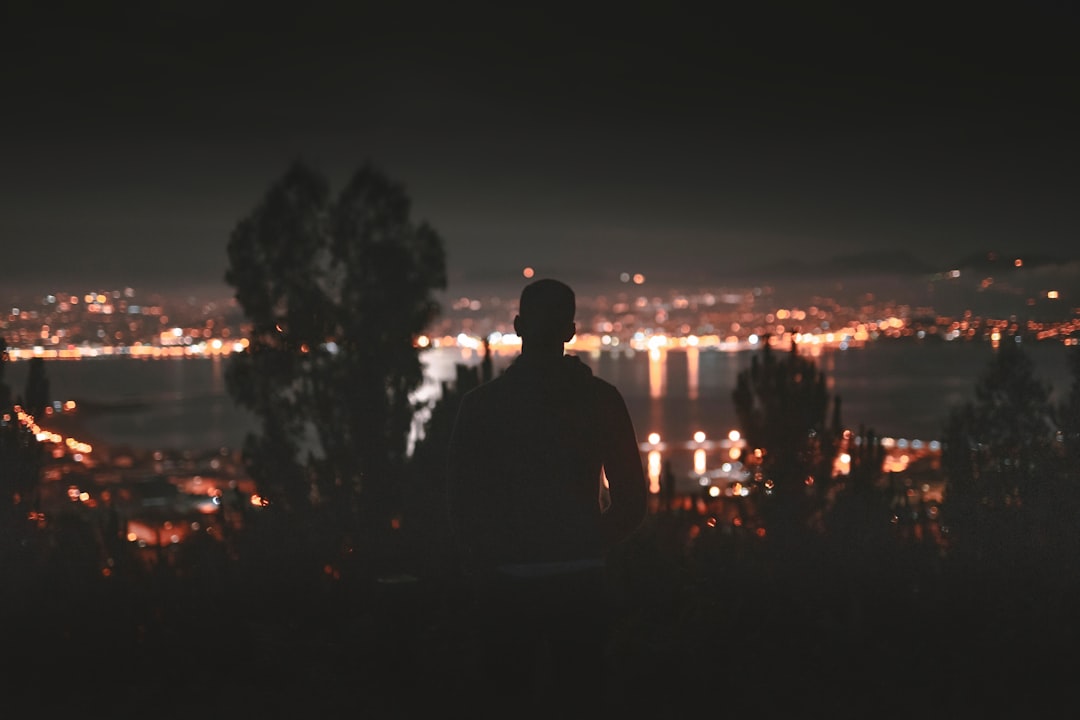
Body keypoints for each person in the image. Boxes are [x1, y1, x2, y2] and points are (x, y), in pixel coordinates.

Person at [446, 277, 648, 716]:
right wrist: (586, 543)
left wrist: (491, 557)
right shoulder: (602, 401)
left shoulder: (481, 406)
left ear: (518, 326)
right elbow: (633, 500)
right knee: (580, 700)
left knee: (506, 700)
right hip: (581, 584)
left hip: (505, 584)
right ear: (570, 332)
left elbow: (461, 503)